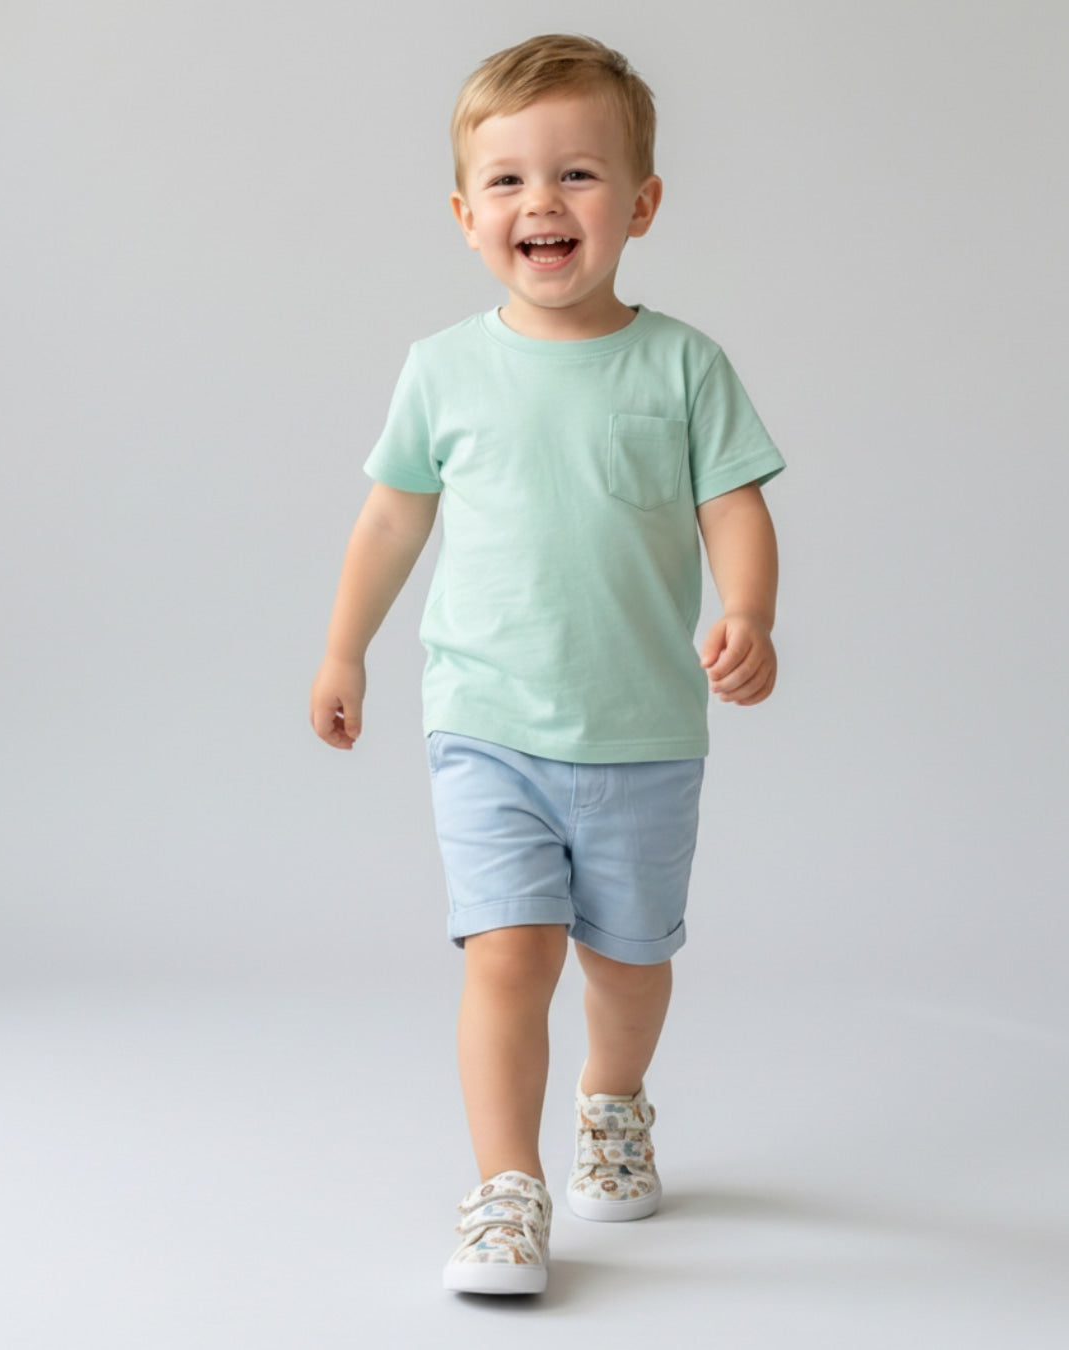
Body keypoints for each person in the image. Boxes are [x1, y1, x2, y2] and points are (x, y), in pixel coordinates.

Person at [310, 33, 785, 1296]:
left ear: (640, 204)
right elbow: (391, 518)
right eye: (510, 182)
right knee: (507, 953)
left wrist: (750, 608)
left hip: (640, 730)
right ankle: (504, 1189)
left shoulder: (682, 365)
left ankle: (612, 1099)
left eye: (578, 175)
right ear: (468, 215)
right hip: (486, 722)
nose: (544, 204)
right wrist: (344, 644)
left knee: (628, 964)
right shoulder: (444, 370)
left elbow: (735, 504)